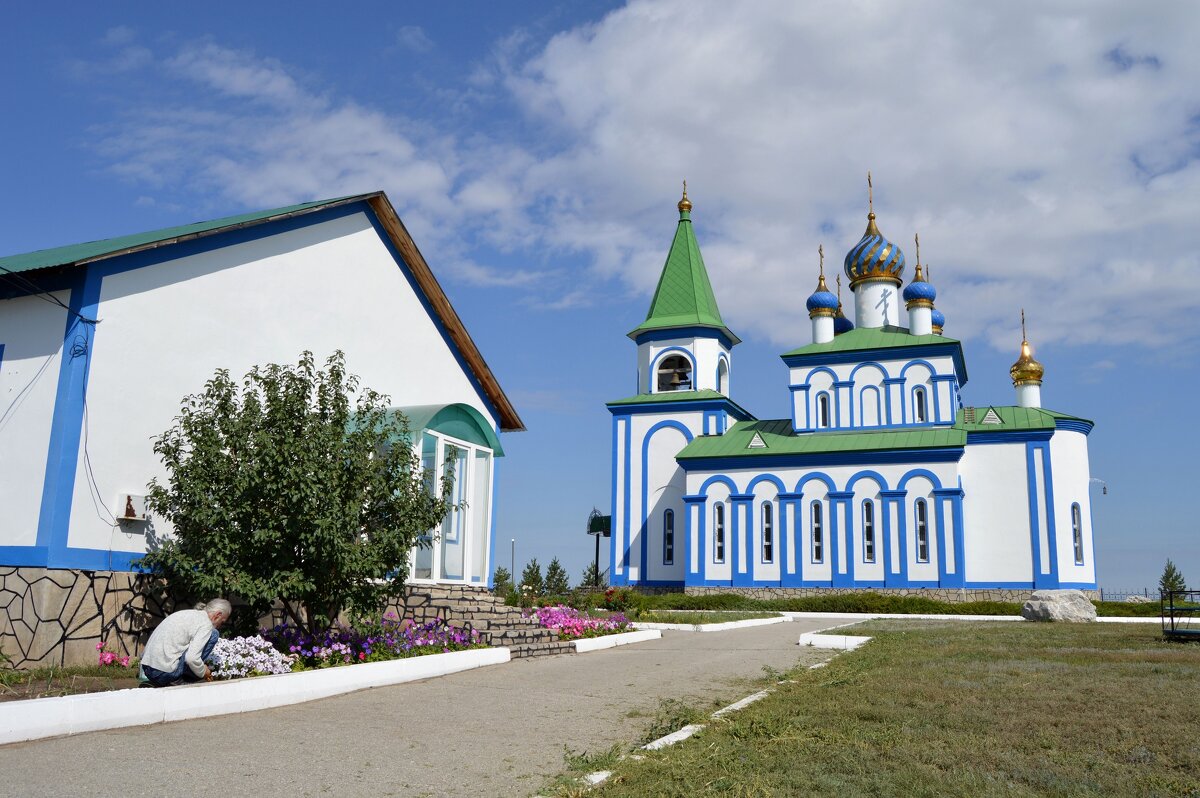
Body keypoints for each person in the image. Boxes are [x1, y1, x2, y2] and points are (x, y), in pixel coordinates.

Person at [138, 598, 230, 687]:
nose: (219, 626)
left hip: (147, 670)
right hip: (165, 673)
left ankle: (169, 679)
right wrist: (204, 671)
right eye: (222, 622)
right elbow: (191, 658)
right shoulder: (206, 624)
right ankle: (178, 679)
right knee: (214, 634)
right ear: (217, 615)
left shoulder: (186, 614)